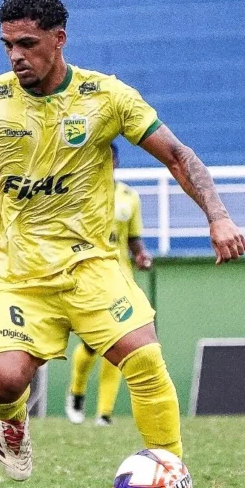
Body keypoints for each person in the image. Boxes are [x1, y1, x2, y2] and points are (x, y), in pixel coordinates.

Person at [0, 0, 245, 488]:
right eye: (7, 45)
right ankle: (11, 421)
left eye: (27, 43)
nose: (15, 56)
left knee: (146, 360)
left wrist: (218, 215)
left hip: (92, 267)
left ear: (59, 39)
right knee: (3, 382)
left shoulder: (106, 96)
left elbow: (177, 155)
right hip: (18, 274)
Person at [66, 144, 153, 426]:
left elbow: (133, 238)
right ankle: (77, 392)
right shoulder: (78, 193)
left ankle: (104, 413)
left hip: (121, 278)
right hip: (90, 277)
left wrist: (141, 255)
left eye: (110, 159)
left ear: (116, 162)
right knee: (92, 345)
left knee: (120, 345)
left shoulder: (129, 197)